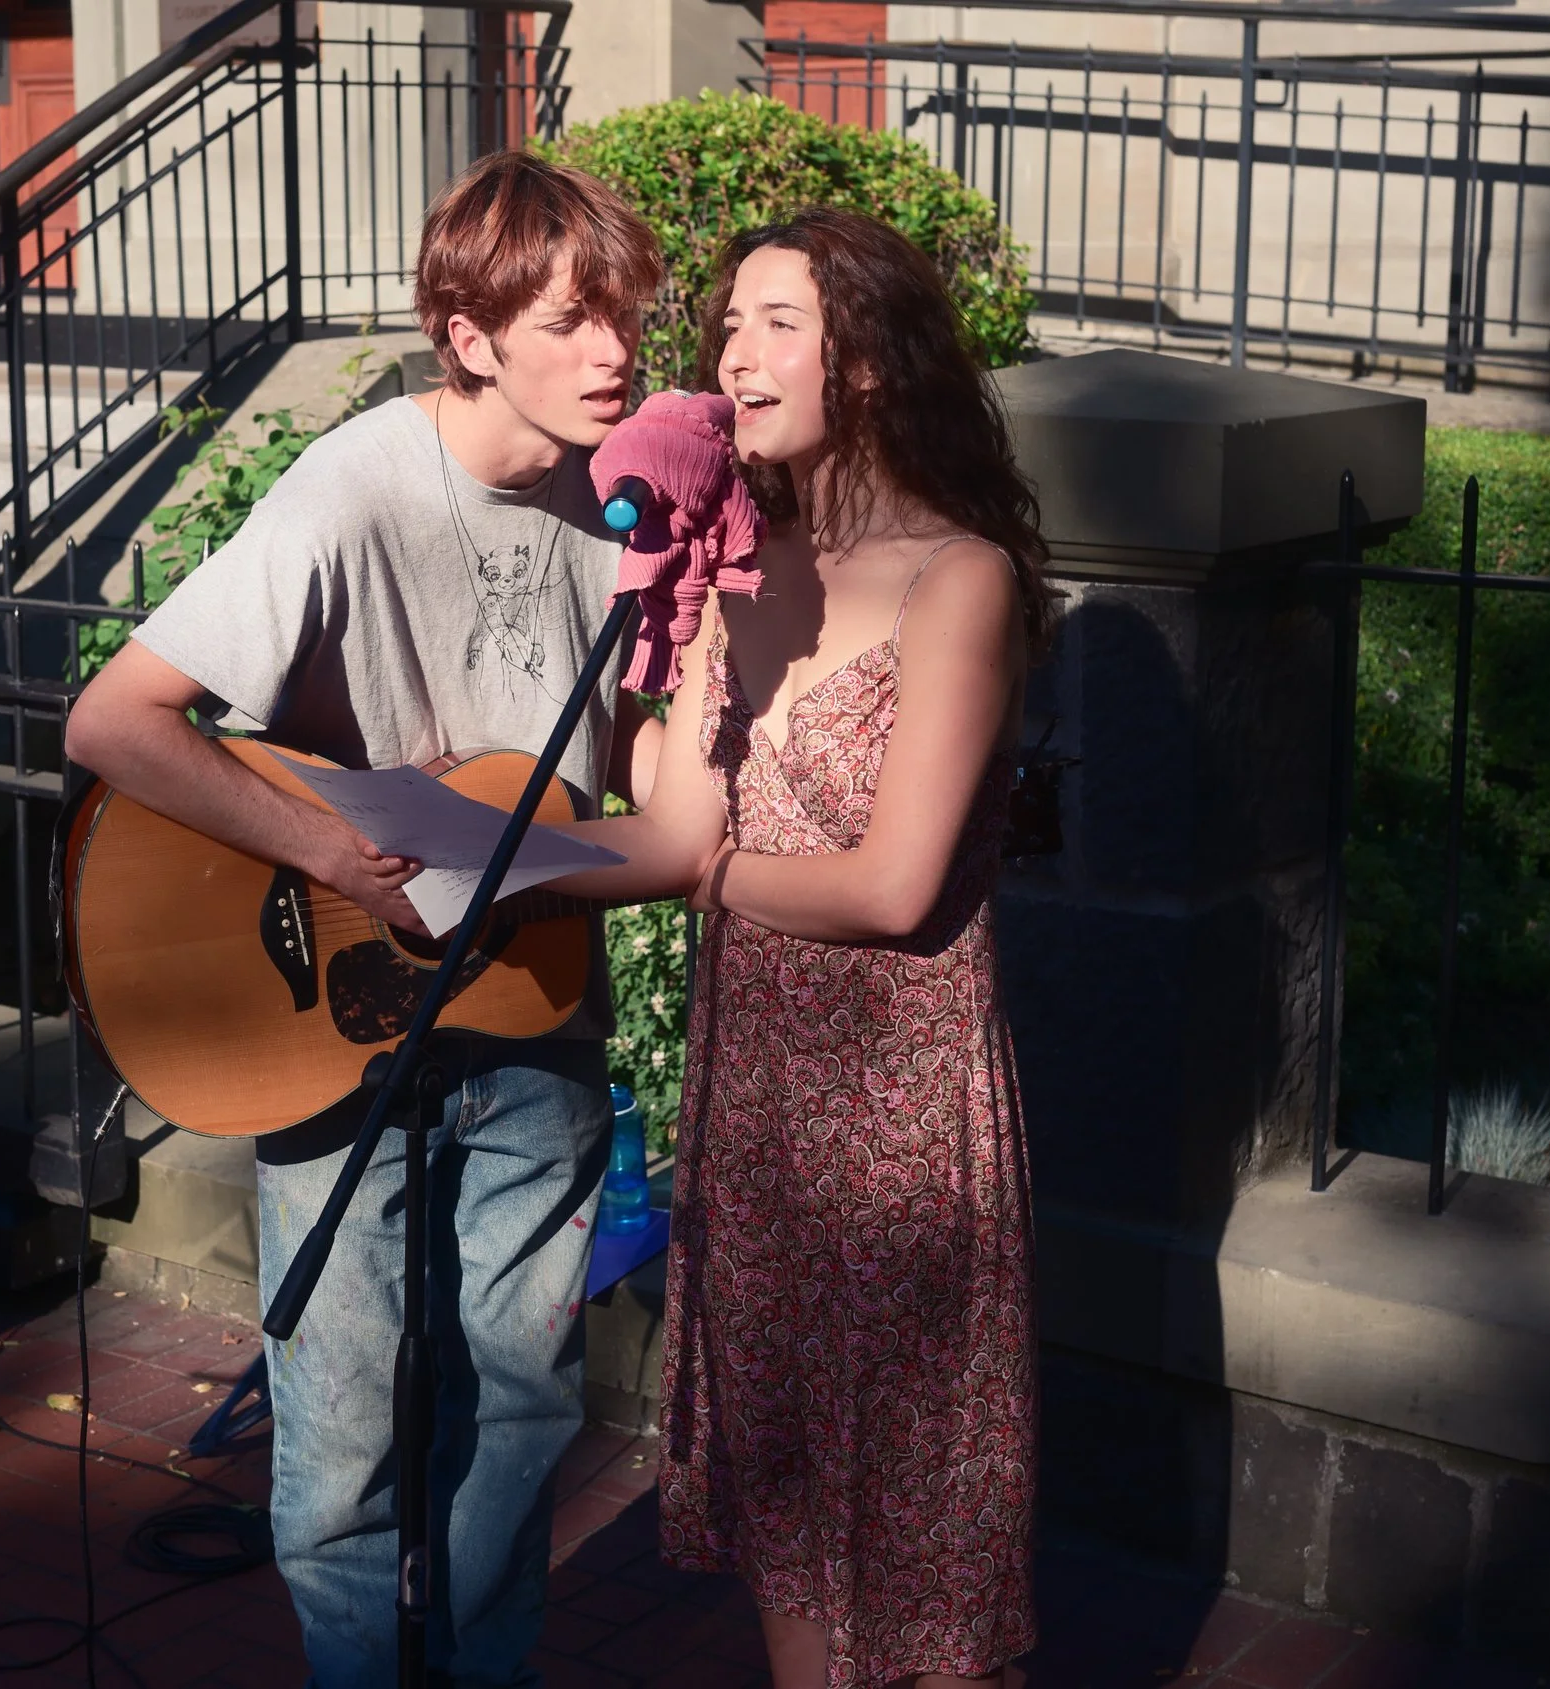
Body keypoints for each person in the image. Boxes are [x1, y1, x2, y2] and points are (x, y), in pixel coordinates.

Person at [62, 150, 664, 1687]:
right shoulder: (358, 484)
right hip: (339, 1019)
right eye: (575, 321)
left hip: (533, 1004)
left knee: (522, 1407)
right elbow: (118, 723)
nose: (617, 353)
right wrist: (325, 852)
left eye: (629, 317)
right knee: (338, 1429)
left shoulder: (633, 512)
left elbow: (642, 794)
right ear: (472, 336)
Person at [558, 207, 1055, 1689]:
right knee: (783, 1508)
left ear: (874, 361)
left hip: (900, 1109)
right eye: (728, 325)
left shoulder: (958, 578)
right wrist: (654, 635)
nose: (735, 354)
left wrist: (708, 872)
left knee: (922, 1541)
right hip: (759, 1095)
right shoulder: (736, 562)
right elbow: (668, 822)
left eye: (779, 321)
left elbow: (895, 887)